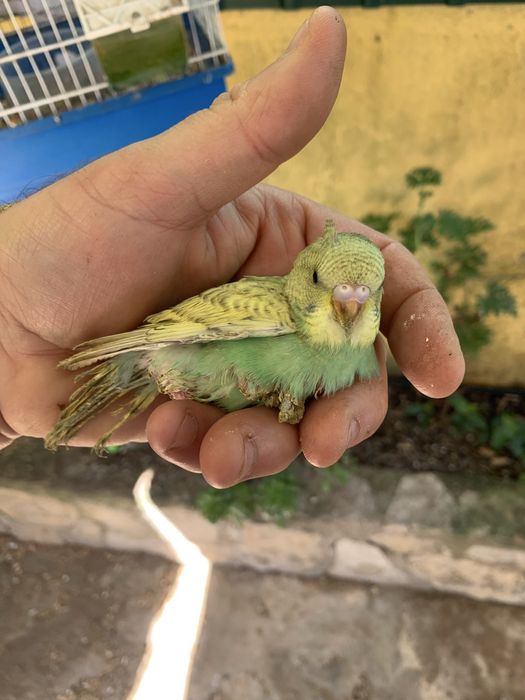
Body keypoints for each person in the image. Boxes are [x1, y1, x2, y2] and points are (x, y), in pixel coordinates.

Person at [0, 7, 464, 488]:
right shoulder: (272, 307)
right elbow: (173, 333)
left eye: (366, 296)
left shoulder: (359, 356)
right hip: (161, 354)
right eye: (326, 286)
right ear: (303, 272)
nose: (349, 305)